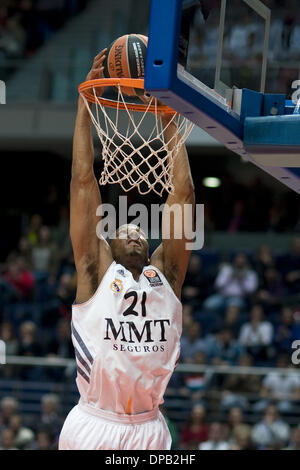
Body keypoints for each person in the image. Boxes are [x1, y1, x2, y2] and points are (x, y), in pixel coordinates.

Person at [59, 49, 195, 450]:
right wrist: (86, 105)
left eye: (139, 230)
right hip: (94, 424)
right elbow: (83, 182)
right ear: (108, 244)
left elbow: (183, 194)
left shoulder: (166, 278)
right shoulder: (95, 272)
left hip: (151, 428)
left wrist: (169, 119)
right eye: (125, 229)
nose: (134, 233)